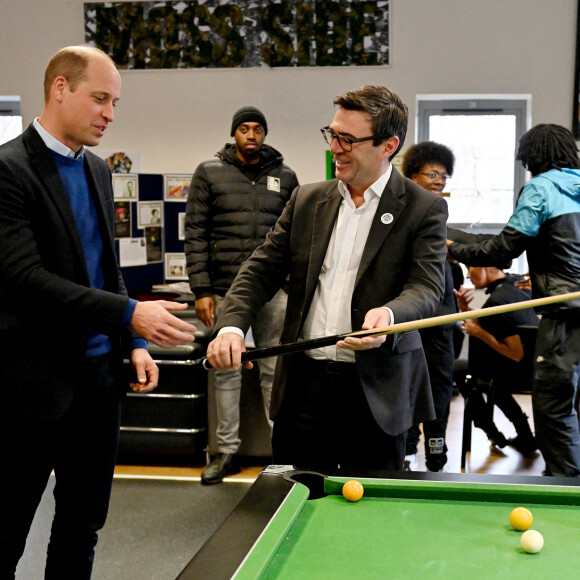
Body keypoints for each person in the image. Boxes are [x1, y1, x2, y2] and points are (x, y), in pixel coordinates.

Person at [0, 46, 197, 579]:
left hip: (98, 384)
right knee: (5, 531)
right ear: (60, 88)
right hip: (31, 388)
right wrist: (131, 314)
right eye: (100, 98)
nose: (109, 112)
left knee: (82, 527)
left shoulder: (96, 168)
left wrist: (133, 344)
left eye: (115, 102)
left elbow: (107, 268)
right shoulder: (8, 170)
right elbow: (25, 280)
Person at [205, 85, 448, 474]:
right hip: (304, 389)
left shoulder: (423, 208)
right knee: (294, 500)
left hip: (376, 392)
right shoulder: (306, 199)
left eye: (348, 140)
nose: (335, 147)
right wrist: (232, 326)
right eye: (333, 134)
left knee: (368, 513)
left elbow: (427, 287)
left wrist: (389, 314)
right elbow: (260, 269)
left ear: (389, 145)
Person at [447, 123, 580, 477]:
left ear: (531, 158)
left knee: (554, 406)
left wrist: (455, 249)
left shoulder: (541, 188)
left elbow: (504, 247)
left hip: (565, 318)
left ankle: (564, 488)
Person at [185, 106, 299, 484]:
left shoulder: (285, 176)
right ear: (234, 134)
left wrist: (291, 285)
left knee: (274, 372)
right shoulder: (209, 172)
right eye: (244, 129)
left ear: (264, 134)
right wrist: (201, 289)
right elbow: (196, 234)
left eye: (257, 129)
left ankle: (281, 457)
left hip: (274, 291)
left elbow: (297, 238)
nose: (251, 135)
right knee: (226, 371)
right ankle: (226, 452)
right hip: (223, 290)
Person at [401, 141, 457, 472]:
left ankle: (437, 450)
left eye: (444, 175)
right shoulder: (402, 210)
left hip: (443, 317)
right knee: (406, 383)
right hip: (410, 317)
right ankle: (406, 450)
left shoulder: (441, 213)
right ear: (412, 175)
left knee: (440, 385)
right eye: (432, 174)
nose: (439, 181)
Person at [454, 266, 539, 455]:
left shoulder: (497, 301)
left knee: (459, 370)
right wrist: (466, 310)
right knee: (494, 385)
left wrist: (479, 333)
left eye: (470, 268)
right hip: (535, 367)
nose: (468, 275)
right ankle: (524, 436)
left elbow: (515, 353)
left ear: (485, 267)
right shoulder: (516, 287)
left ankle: (489, 429)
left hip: (518, 371)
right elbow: (496, 322)